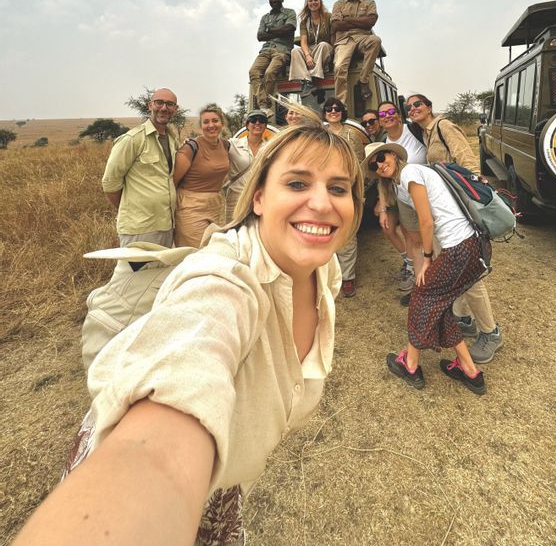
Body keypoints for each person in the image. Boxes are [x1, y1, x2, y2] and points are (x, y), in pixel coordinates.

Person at [15, 124, 364, 546]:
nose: (322, 203)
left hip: (229, 482)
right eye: (296, 183)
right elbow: (178, 388)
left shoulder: (324, 270)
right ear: (257, 197)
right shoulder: (226, 279)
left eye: (339, 188)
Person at [363, 142, 488, 395]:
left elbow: (426, 221)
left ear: (394, 154)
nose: (379, 164)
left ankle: (410, 365)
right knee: (437, 303)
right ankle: (470, 370)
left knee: (421, 297)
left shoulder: (410, 173)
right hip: (470, 246)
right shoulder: (400, 183)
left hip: (459, 247)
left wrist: (428, 257)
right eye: (374, 165)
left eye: (381, 157)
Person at [81, 88, 179, 370]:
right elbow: (110, 183)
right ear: (150, 105)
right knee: (127, 284)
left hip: (166, 223)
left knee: (150, 285)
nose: (164, 108)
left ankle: (143, 341)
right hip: (140, 227)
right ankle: (107, 338)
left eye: (169, 104)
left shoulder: (171, 137)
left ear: (175, 109)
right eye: (159, 103)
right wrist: (131, 211)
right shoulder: (132, 140)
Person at [405, 94, 504, 364]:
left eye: (418, 104)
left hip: (460, 208)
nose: (413, 109)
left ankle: (491, 332)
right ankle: (465, 318)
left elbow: (467, 161)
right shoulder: (427, 134)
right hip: (450, 207)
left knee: (470, 276)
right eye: (409, 106)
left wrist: (470, 199)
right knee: (458, 274)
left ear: (429, 106)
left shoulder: (444, 126)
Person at [375, 101, 426, 293]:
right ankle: (416, 274)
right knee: (412, 237)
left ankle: (429, 276)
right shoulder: (384, 142)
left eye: (391, 111)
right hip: (403, 197)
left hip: (425, 193)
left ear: (398, 115)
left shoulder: (414, 131)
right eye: (382, 114)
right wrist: (382, 206)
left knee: (429, 236)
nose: (387, 116)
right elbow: (383, 179)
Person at [323, 96, 365, 297]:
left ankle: (348, 277)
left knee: (347, 233)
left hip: (346, 188)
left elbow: (361, 166)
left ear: (342, 112)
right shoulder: (320, 135)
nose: (333, 111)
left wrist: (356, 190)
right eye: (329, 109)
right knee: (324, 231)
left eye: (337, 108)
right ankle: (328, 275)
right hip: (323, 189)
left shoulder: (352, 136)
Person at [173, 104, 230, 248]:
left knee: (215, 250)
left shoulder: (225, 145)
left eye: (215, 121)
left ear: (222, 123)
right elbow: (173, 181)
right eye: (206, 122)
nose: (211, 125)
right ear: (200, 126)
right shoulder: (191, 147)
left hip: (216, 205)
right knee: (195, 253)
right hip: (191, 207)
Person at [331, 0, 382, 106]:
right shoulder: (338, 4)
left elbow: (370, 22)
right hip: (344, 40)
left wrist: (347, 20)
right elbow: (336, 25)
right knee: (339, 66)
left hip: (363, 38)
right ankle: (340, 105)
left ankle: (363, 81)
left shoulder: (369, 3)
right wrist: (360, 21)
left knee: (375, 40)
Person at [249, 0, 296, 115]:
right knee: (253, 71)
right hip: (265, 50)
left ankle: (264, 105)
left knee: (269, 72)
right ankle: (264, 106)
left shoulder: (290, 13)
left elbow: (289, 28)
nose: (274, 0)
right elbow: (260, 36)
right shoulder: (265, 17)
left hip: (282, 50)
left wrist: (269, 31)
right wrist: (279, 31)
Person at [225, 109, 269, 222]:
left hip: (259, 197)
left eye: (261, 120)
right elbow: (212, 144)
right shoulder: (233, 144)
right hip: (236, 197)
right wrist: (192, 143)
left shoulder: (270, 147)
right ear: (247, 125)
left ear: (265, 126)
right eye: (253, 120)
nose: (257, 123)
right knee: (233, 231)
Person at [288, 0, 333, 96]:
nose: (313, 2)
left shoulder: (328, 17)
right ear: (307, 4)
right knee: (295, 51)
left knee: (323, 45)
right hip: (311, 49)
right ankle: (306, 80)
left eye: (316, 0)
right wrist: (307, 56)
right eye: (310, 0)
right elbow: (303, 42)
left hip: (326, 48)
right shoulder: (304, 21)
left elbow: (333, 36)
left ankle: (315, 77)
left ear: (320, 2)